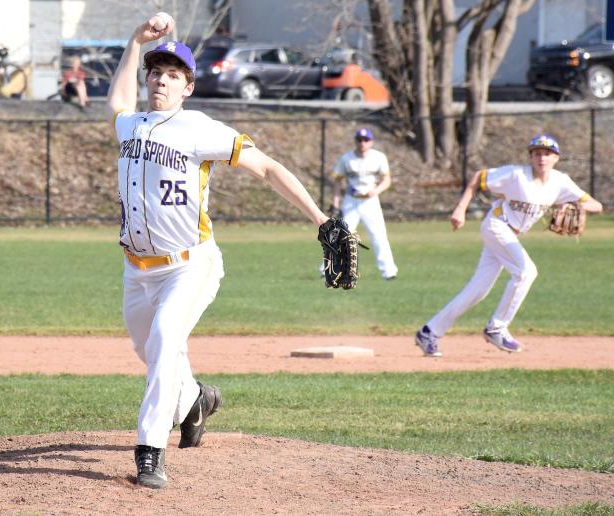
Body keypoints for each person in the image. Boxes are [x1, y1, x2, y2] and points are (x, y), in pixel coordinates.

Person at [107, 13, 330, 489]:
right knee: (150, 352)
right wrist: (134, 42)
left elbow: (267, 169)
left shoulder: (199, 128)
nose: (161, 80)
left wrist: (321, 219)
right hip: (136, 269)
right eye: (156, 72)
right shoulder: (131, 125)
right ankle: (195, 401)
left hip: (190, 264)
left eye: (173, 75)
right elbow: (118, 99)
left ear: (188, 87)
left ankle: (150, 452)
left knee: (166, 340)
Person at [414, 134, 603, 358]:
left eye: (547, 153)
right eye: (536, 153)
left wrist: (574, 205)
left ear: (556, 158)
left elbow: (596, 205)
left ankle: (429, 332)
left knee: (477, 291)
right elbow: (478, 178)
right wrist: (460, 209)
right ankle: (497, 327)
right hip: (497, 225)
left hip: (509, 234)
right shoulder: (516, 175)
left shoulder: (560, 182)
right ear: (530, 157)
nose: (541, 158)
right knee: (526, 272)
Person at [327, 128, 399, 280]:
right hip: (351, 201)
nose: (362, 143)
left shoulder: (379, 157)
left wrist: (376, 191)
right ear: (356, 141)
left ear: (371, 142)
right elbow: (337, 181)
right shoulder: (347, 158)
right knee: (342, 236)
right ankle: (329, 269)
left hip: (370, 201)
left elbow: (387, 180)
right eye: (359, 140)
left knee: (379, 235)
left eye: (366, 140)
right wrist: (336, 203)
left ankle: (389, 271)